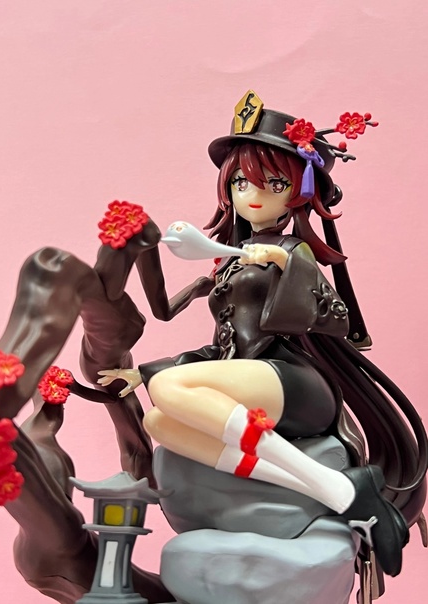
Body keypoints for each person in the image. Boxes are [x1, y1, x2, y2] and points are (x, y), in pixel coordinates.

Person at [98, 91, 426, 579]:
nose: (252, 195)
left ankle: (338, 488)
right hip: (254, 377)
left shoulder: (295, 253)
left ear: (299, 192)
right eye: (239, 182)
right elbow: (225, 348)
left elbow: (334, 317)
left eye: (273, 184)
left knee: (167, 389)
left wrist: (287, 263)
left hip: (295, 382)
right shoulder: (232, 261)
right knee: (161, 423)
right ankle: (339, 490)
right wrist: (141, 373)